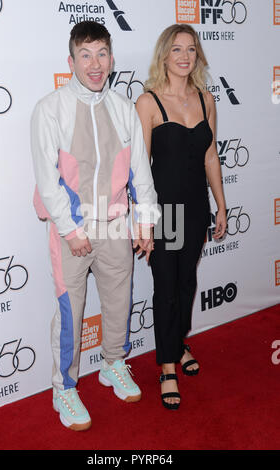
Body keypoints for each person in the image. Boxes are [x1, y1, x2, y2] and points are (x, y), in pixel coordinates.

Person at [31, 21, 159, 430]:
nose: (95, 63)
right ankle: (64, 388)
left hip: (115, 225)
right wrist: (71, 230)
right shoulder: (50, 109)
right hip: (72, 230)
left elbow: (142, 172)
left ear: (111, 58)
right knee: (72, 312)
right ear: (71, 61)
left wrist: (146, 222)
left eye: (102, 53)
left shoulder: (123, 107)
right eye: (85, 55)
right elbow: (47, 179)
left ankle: (112, 364)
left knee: (120, 300)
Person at [136, 24, 227, 410]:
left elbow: (210, 157)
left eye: (191, 49)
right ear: (164, 56)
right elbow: (139, 169)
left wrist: (222, 205)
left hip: (195, 208)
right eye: (176, 49)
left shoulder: (207, 100)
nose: (185, 56)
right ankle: (168, 365)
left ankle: (177, 343)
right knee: (166, 287)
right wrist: (143, 221)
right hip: (166, 212)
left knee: (187, 284)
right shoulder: (148, 102)